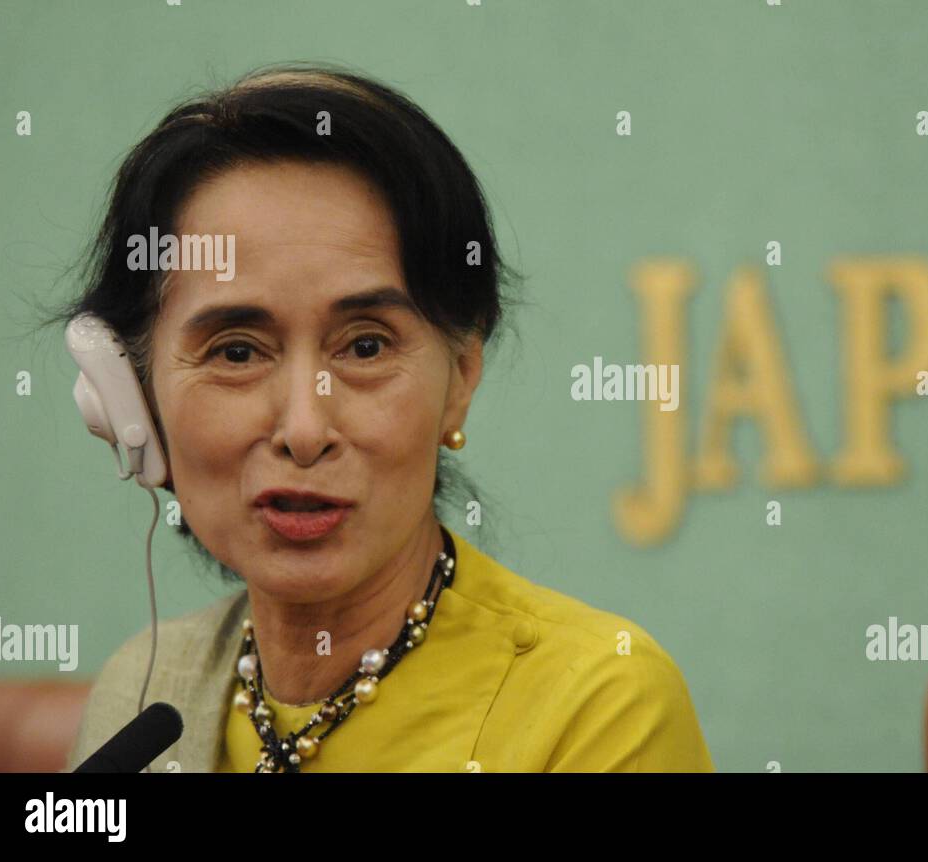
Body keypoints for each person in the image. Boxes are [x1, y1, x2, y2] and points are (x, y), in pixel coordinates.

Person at [51, 64, 714, 772]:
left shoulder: (597, 705)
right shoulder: (141, 697)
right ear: (131, 397)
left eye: (365, 347)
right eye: (236, 351)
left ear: (460, 377)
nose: (305, 431)